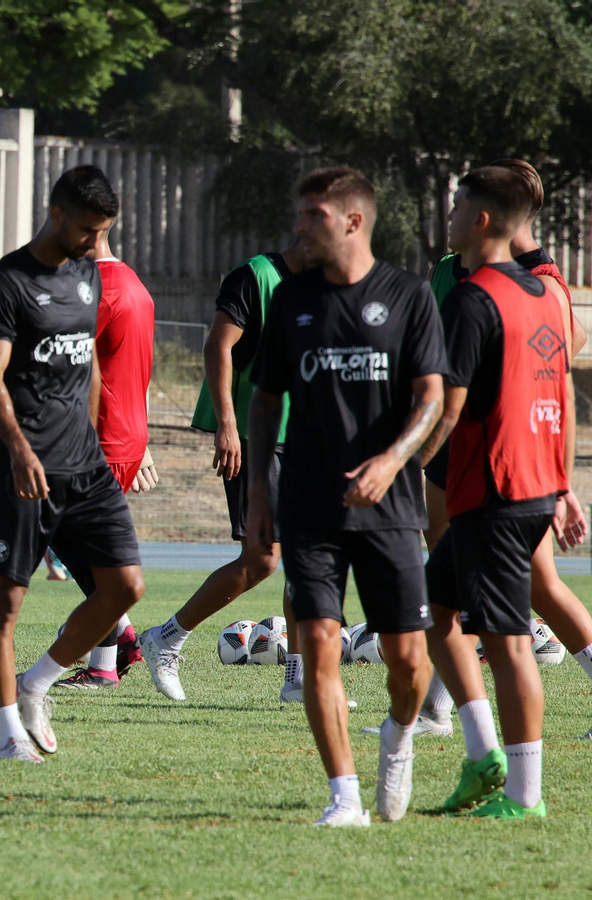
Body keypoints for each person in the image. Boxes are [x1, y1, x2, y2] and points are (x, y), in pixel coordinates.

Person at [247, 166, 446, 826]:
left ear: (353, 221)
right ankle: (345, 796)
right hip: (308, 504)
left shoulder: (410, 294)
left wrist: (393, 461)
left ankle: (397, 734)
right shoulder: (292, 299)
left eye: (313, 216)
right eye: (300, 215)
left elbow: (432, 397)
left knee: (408, 661)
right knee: (320, 642)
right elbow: (267, 396)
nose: (299, 227)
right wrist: (258, 495)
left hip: (391, 509)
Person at [406, 158, 592, 741]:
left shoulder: (537, 281)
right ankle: (446, 709)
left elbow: (562, 355)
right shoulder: (455, 270)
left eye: (461, 203)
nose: (451, 212)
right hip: (467, 450)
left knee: (525, 598)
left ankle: (505, 764)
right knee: (448, 581)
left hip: (498, 457)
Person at [0, 165, 147, 763]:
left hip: (85, 466)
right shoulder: (7, 281)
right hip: (22, 468)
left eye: (102, 232)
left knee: (125, 586)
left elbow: (91, 367)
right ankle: (7, 737)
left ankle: (37, 684)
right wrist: (20, 451)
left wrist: (97, 440)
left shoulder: (87, 277)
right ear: (56, 215)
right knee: (6, 603)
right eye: (86, 230)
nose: (94, 243)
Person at [141, 241, 309, 703]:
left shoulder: (328, 285)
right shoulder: (254, 275)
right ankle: (166, 637)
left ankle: (298, 680)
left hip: (306, 438)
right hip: (258, 435)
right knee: (262, 560)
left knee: (304, 560)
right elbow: (219, 344)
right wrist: (228, 424)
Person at [50, 225, 156, 689]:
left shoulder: (95, 290)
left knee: (88, 553)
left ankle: (102, 666)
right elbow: (134, 367)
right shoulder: (135, 285)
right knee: (75, 545)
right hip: (124, 435)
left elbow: (67, 365)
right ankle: (125, 637)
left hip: (96, 439)